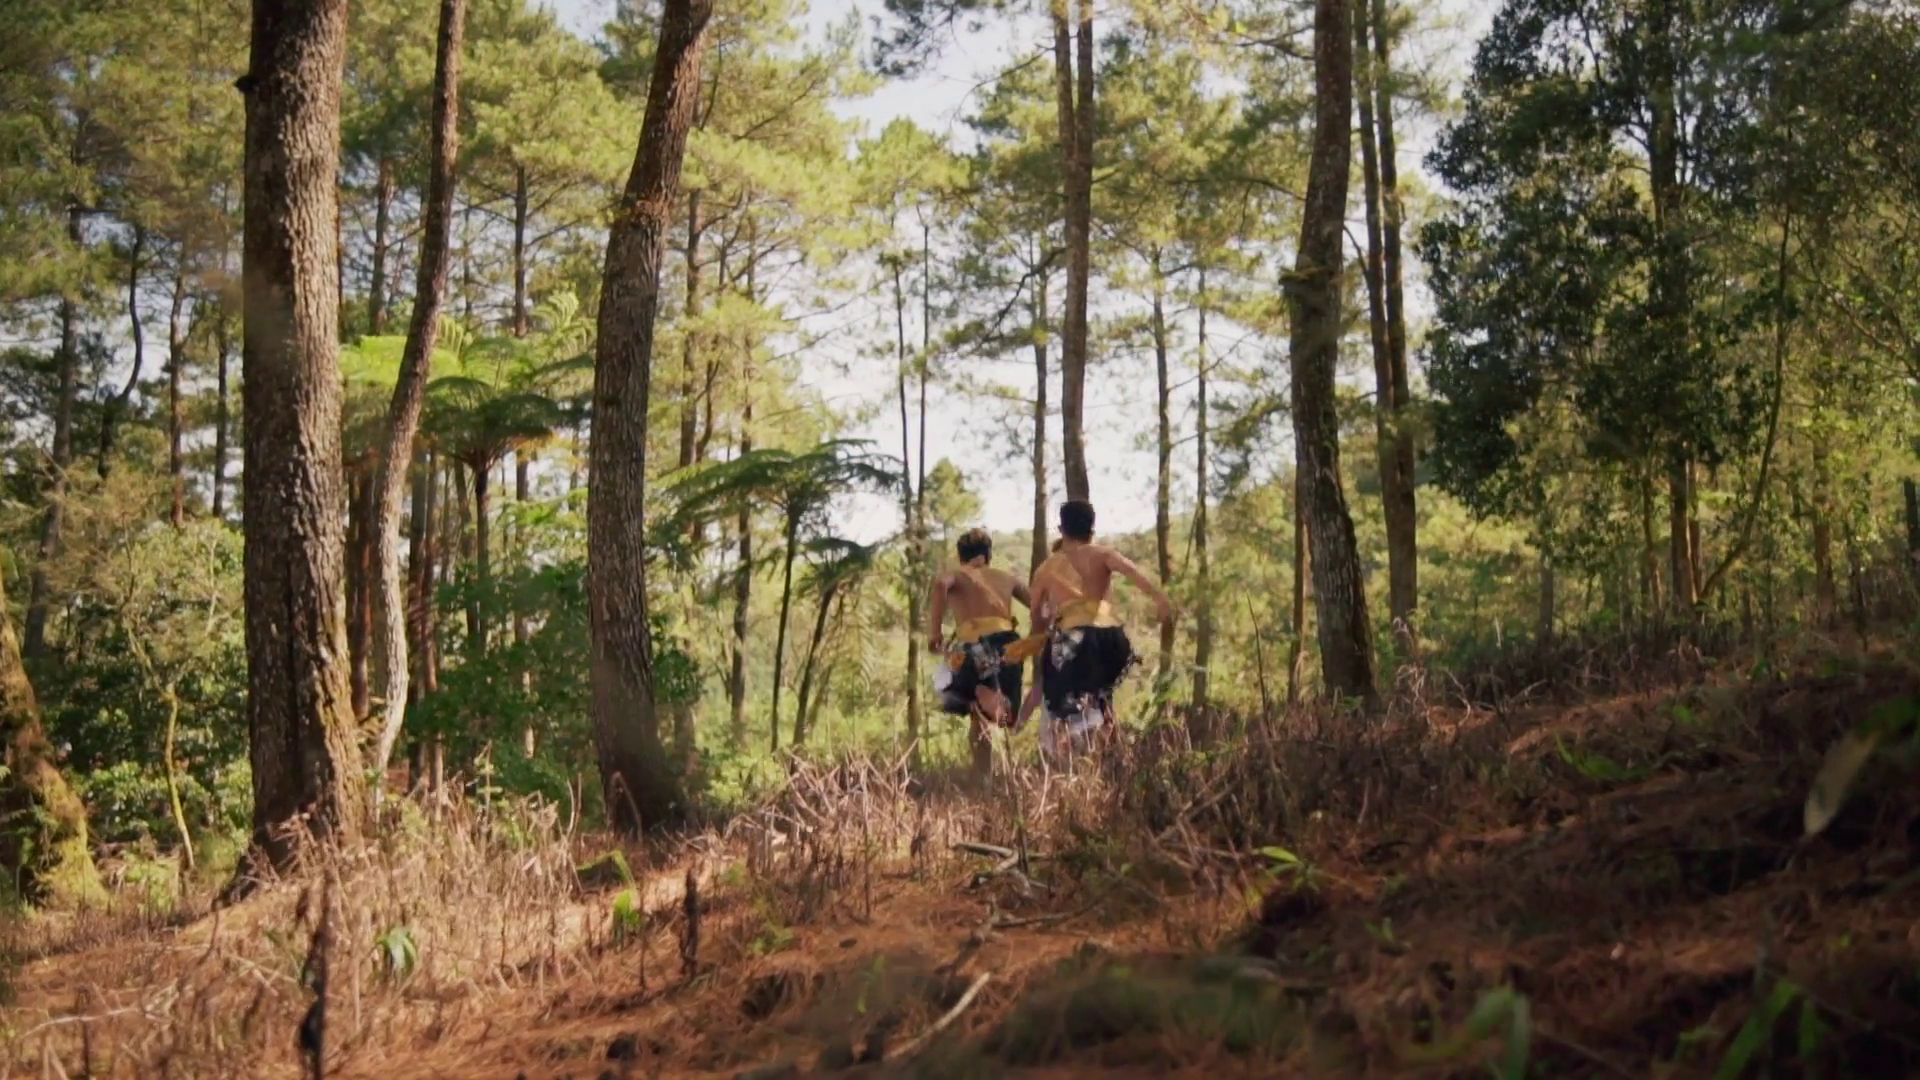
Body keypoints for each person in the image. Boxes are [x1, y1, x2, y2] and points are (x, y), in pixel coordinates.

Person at [1023, 500, 1173, 763]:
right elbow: (1134, 573)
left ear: (1061, 529)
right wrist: (1160, 599)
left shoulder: (1047, 568)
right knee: (1101, 696)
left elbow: (1035, 615)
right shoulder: (1103, 554)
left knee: (1061, 703)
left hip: (1075, 639)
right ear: (1092, 530)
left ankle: (1072, 757)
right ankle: (1110, 756)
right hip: (1111, 639)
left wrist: (1040, 635)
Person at [926, 527, 1030, 775]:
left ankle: (983, 772)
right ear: (988, 555)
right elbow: (1038, 604)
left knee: (971, 706)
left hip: (975, 646)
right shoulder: (1007, 577)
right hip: (1009, 645)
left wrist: (935, 632)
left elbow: (940, 583)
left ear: (961, 557)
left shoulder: (958, 574)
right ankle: (996, 705)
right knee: (997, 716)